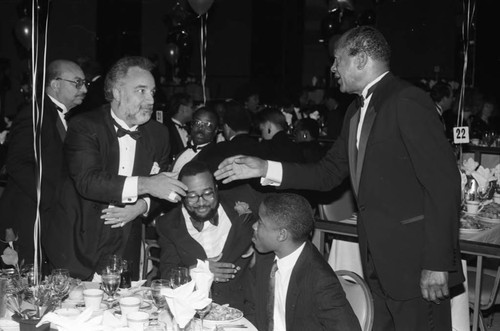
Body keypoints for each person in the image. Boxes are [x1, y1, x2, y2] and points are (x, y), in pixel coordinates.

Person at [215, 26, 464, 330]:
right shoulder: (355, 112)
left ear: (360, 59)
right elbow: (327, 173)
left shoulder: (407, 101)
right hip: (377, 260)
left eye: (337, 60)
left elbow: (444, 183)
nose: (332, 69)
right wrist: (265, 168)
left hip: (414, 261)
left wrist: (437, 263)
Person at [43, 56, 187, 280]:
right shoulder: (84, 126)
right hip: (76, 242)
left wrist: (142, 206)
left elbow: (163, 185)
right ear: (117, 92)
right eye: (141, 91)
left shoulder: (158, 134)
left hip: (125, 242)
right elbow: (88, 181)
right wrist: (146, 184)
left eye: (152, 91)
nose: (150, 99)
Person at [0, 59, 87, 264]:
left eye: (85, 83)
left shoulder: (65, 118)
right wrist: (52, 198)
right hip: (28, 216)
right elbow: (17, 163)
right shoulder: (35, 113)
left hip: (50, 217)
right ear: (55, 84)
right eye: (77, 82)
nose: (83, 89)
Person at [156, 160, 261, 316]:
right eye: (192, 196)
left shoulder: (244, 197)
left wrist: (259, 234)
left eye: (208, 194)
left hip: (245, 309)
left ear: (216, 189)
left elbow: (284, 210)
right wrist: (199, 271)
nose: (201, 203)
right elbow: (166, 274)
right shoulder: (168, 224)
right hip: (193, 312)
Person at [251, 193, 361, 331]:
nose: (254, 226)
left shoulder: (319, 280)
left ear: (282, 235)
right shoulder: (267, 255)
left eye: (260, 222)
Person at [170, 106, 219, 173]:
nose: (201, 128)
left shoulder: (214, 158)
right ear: (191, 125)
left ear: (215, 131)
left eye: (208, 125)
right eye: (197, 122)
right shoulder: (182, 152)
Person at [165, 92, 194, 163]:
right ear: (182, 109)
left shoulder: (190, 128)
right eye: (192, 107)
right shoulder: (166, 130)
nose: (193, 110)